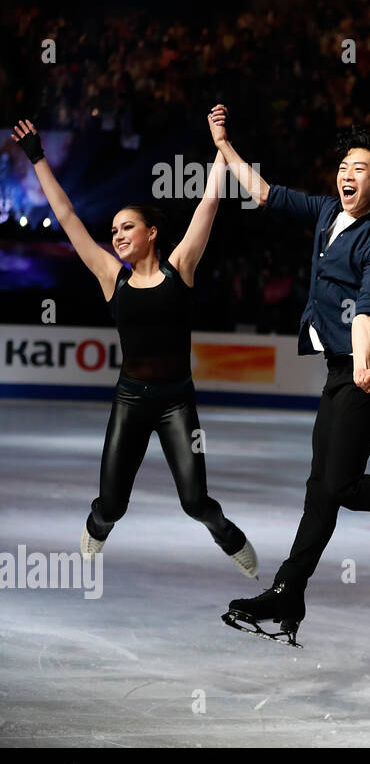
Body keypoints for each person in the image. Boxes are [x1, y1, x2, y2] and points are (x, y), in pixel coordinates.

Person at [207, 105, 370, 647]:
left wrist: (361, 363)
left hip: (365, 366)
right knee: (320, 489)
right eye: (344, 166)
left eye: (360, 169)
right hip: (341, 368)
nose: (347, 175)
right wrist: (224, 145)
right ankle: (288, 590)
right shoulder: (330, 211)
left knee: (341, 486)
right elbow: (265, 193)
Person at [9, 120, 257, 577]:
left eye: (127, 228)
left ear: (151, 233)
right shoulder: (110, 276)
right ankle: (96, 525)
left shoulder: (181, 266)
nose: (118, 235)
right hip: (129, 399)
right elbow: (67, 217)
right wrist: (38, 157)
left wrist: (221, 145)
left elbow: (209, 204)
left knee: (195, 501)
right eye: (115, 229)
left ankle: (229, 536)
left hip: (176, 401)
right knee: (111, 506)